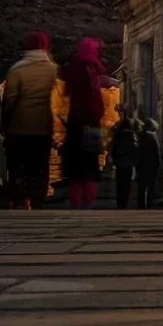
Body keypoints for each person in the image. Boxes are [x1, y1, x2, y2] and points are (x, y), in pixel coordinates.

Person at [1, 31, 58, 209]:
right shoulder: (54, 71)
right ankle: (37, 201)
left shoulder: (17, 71)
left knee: (18, 167)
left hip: (19, 128)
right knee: (40, 166)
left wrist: (5, 127)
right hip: (43, 128)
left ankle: (20, 201)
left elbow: (9, 101)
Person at [61, 37, 106, 209]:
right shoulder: (96, 69)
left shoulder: (73, 69)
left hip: (76, 123)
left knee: (75, 167)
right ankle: (88, 204)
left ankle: (74, 204)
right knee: (91, 165)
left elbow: (66, 92)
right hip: (94, 123)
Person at [110, 113, 139, 210]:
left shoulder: (117, 135)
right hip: (129, 165)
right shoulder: (133, 135)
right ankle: (125, 203)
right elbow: (135, 150)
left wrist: (114, 160)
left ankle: (119, 203)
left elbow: (113, 149)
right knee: (127, 185)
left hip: (119, 164)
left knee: (120, 184)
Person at [137, 118, 161, 209]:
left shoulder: (139, 135)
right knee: (151, 186)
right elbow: (157, 152)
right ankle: (150, 204)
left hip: (141, 163)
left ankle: (141, 204)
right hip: (152, 164)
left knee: (141, 185)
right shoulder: (153, 137)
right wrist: (158, 163)